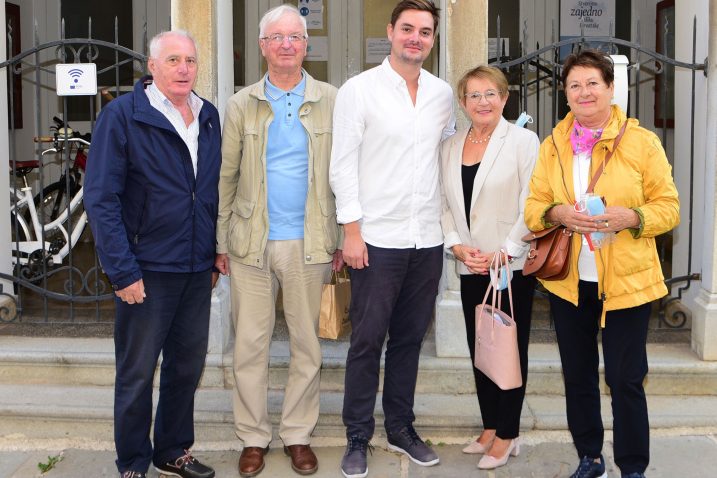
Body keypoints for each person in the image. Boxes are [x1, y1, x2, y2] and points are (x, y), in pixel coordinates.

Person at [524, 49, 679, 478]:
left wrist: (633, 217)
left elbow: (669, 208)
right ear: (565, 94)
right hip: (570, 281)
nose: (584, 92)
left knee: (627, 379)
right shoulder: (552, 144)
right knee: (578, 376)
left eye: (593, 83)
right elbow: (534, 206)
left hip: (627, 281)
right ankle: (589, 458)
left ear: (611, 89)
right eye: (574, 85)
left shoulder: (641, 142)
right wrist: (557, 214)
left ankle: (632, 467)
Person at [84, 30, 220, 478]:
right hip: (145, 268)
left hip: (196, 268)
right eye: (174, 60)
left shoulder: (208, 115)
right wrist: (122, 271)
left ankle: (172, 450)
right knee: (138, 373)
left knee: (186, 367)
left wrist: (214, 250)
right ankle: (133, 462)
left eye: (191, 61)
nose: (184, 69)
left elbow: (209, 190)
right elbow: (101, 198)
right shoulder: (122, 116)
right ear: (152, 66)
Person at [214, 5, 342, 478]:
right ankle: (252, 436)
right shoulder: (240, 103)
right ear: (263, 46)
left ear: (306, 46)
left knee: (307, 344)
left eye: (295, 36)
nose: (286, 44)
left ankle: (297, 434)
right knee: (250, 344)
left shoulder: (332, 99)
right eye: (277, 37)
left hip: (309, 241)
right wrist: (219, 241)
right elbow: (225, 177)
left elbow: (344, 174)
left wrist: (345, 233)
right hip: (250, 242)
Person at [329, 1, 455, 476]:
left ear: (433, 39)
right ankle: (357, 434)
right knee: (366, 340)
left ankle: (400, 428)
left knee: (408, 340)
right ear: (391, 32)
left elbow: (445, 158)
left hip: (426, 240)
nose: (415, 38)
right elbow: (342, 164)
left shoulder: (443, 94)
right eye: (408, 29)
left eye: (425, 31)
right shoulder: (359, 91)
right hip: (376, 239)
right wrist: (352, 231)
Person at [439, 65, 539, 470]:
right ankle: (490, 425)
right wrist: (457, 246)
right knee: (481, 347)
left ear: (504, 97)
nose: (482, 102)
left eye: (490, 94)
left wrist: (508, 249)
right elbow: (442, 204)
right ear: (462, 103)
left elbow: (534, 203)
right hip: (470, 265)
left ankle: (509, 433)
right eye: (474, 95)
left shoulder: (523, 141)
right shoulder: (449, 145)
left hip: (508, 266)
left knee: (509, 350)